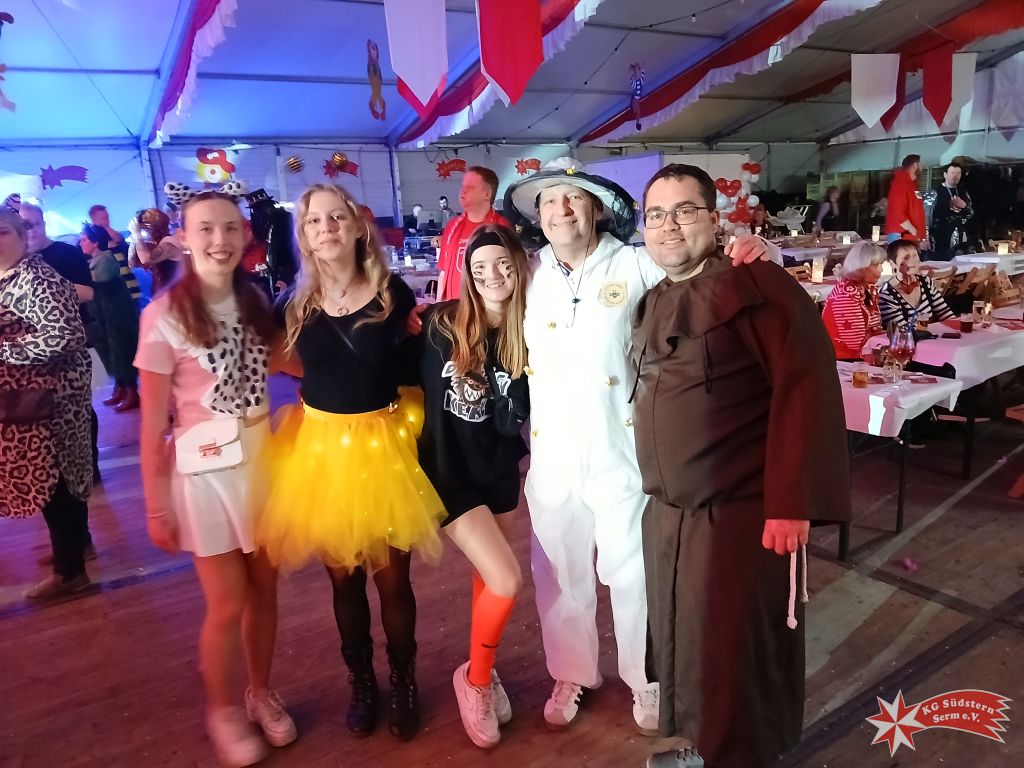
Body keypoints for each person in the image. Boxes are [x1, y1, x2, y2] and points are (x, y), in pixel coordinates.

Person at [500, 157, 779, 734]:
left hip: (620, 448)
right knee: (560, 573)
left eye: (573, 198)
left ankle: (644, 678)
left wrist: (757, 250)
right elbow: (477, 305)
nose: (561, 210)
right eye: (549, 201)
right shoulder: (528, 274)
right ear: (537, 215)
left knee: (632, 573)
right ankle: (571, 673)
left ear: (598, 209)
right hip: (551, 454)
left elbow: (702, 267)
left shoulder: (634, 262)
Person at [632, 163, 851, 768]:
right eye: (656, 214)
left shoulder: (756, 284)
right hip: (670, 516)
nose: (669, 225)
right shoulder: (655, 297)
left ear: (714, 218)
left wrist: (792, 502)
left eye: (684, 211)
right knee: (688, 649)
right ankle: (705, 749)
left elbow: (805, 387)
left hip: (739, 513)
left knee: (733, 655)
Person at [258, 183, 445, 742]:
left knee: (393, 583)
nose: (327, 228)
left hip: (383, 446)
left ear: (357, 226)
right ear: (304, 236)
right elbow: (275, 358)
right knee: (344, 582)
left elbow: (413, 364)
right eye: (315, 221)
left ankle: (404, 682)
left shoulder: (391, 295)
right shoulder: (292, 304)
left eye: (336, 217)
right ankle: (362, 684)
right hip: (322, 453)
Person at [135, 191, 297, 767]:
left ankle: (260, 691)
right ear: (183, 236)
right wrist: (156, 505)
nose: (219, 240)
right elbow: (152, 424)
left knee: (265, 591)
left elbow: (286, 362)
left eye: (230, 228)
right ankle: (223, 708)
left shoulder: (253, 300)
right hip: (204, 475)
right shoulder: (163, 316)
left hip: (261, 463)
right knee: (227, 603)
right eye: (205, 229)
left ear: (245, 234)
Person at [415, 224, 530, 749]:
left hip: (500, 467)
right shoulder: (441, 324)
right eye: (479, 267)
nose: (492, 275)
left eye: (502, 263)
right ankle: (476, 679)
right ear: (467, 273)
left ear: (519, 267)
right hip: (448, 472)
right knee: (506, 579)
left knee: (489, 578)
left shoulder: (531, 330)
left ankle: (484, 664)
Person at [0, 207, 94, 599]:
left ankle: (70, 572)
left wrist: (5, 351)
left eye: (3, 232)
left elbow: (66, 335)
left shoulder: (35, 276)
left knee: (53, 479)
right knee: (62, 475)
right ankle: (76, 549)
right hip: (34, 397)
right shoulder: (12, 275)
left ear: (23, 236)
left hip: (52, 397)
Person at [19, 200, 103, 492]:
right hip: (33, 350)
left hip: (71, 344)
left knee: (81, 409)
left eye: (33, 224)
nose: (29, 231)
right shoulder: (16, 261)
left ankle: (89, 467)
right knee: (41, 412)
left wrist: (44, 290)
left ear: (43, 223)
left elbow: (88, 293)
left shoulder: (66, 253)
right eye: (22, 226)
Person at [80, 224, 141, 412]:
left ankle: (131, 392)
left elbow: (97, 280)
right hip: (104, 315)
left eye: (84, 239)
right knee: (110, 351)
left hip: (116, 314)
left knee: (121, 350)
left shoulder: (105, 259)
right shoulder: (94, 260)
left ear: (95, 242)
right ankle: (120, 388)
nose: (80, 243)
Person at [436, 166, 510, 301]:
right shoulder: (452, 227)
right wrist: (438, 306)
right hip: (454, 309)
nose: (463, 190)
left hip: (486, 308)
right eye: (463, 187)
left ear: (487, 194)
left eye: (470, 187)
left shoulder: (502, 227)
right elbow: (443, 273)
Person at [821, 241, 886, 360]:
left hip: (865, 353)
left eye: (881, 264)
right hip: (844, 359)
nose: (881, 269)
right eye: (875, 264)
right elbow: (855, 342)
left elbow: (875, 328)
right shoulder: (846, 295)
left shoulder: (866, 288)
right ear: (861, 266)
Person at [879, 239, 957, 330]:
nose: (913, 261)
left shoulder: (925, 281)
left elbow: (946, 314)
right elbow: (902, 332)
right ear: (892, 263)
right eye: (906, 257)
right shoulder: (886, 295)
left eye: (915, 256)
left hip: (931, 336)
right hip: (909, 339)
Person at [129, 207, 181, 295]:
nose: (144, 227)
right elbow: (131, 264)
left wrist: (137, 236)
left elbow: (147, 259)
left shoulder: (169, 242)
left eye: (147, 220)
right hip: (160, 293)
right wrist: (134, 239)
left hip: (175, 293)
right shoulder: (150, 245)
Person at [930, 162, 973, 261]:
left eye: (958, 173)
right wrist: (925, 237)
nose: (955, 176)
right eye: (952, 173)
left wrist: (964, 206)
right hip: (939, 236)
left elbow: (971, 214)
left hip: (960, 236)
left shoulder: (963, 191)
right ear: (945, 174)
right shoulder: (935, 192)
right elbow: (926, 216)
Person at [884, 155, 926, 245]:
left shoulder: (912, 185)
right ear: (915, 165)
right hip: (901, 235)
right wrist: (914, 232)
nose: (923, 167)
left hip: (909, 236)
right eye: (921, 164)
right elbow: (897, 213)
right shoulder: (900, 183)